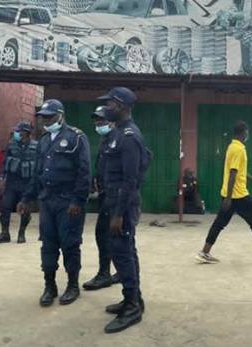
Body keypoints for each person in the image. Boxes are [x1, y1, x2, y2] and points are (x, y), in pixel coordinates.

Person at [17, 99, 91, 306]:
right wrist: (26, 198)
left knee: (70, 244)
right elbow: (37, 174)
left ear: (60, 115)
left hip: (69, 202)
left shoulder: (76, 138)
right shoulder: (43, 140)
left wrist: (78, 200)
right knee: (48, 245)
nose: (45, 121)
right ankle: (50, 286)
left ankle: (73, 285)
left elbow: (84, 173)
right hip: (47, 202)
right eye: (43, 117)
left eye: (49, 116)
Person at [97, 87, 151, 333]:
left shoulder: (129, 136)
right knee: (126, 251)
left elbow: (131, 180)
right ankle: (134, 299)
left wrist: (119, 213)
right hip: (114, 202)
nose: (106, 108)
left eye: (109, 104)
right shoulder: (118, 132)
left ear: (121, 106)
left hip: (123, 206)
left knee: (122, 254)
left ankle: (132, 308)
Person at [195, 121, 252, 264]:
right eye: (247, 132)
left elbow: (239, 171)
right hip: (238, 195)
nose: (247, 134)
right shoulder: (239, 150)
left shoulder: (232, 147)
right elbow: (233, 173)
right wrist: (229, 198)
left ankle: (204, 252)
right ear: (244, 132)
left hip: (229, 194)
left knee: (219, 224)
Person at [82, 106, 120, 291]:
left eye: (102, 120)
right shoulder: (106, 139)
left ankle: (105, 274)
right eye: (96, 120)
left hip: (116, 196)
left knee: (105, 234)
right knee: (113, 235)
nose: (98, 123)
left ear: (112, 121)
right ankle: (119, 271)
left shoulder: (119, 138)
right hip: (106, 194)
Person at [0, 121, 37, 244]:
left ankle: (21, 233)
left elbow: (39, 166)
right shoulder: (11, 145)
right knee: (5, 206)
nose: (17, 133)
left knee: (25, 209)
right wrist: (1, 178)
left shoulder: (36, 146)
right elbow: (4, 163)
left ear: (26, 133)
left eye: (19, 131)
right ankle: (5, 233)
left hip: (27, 183)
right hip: (12, 182)